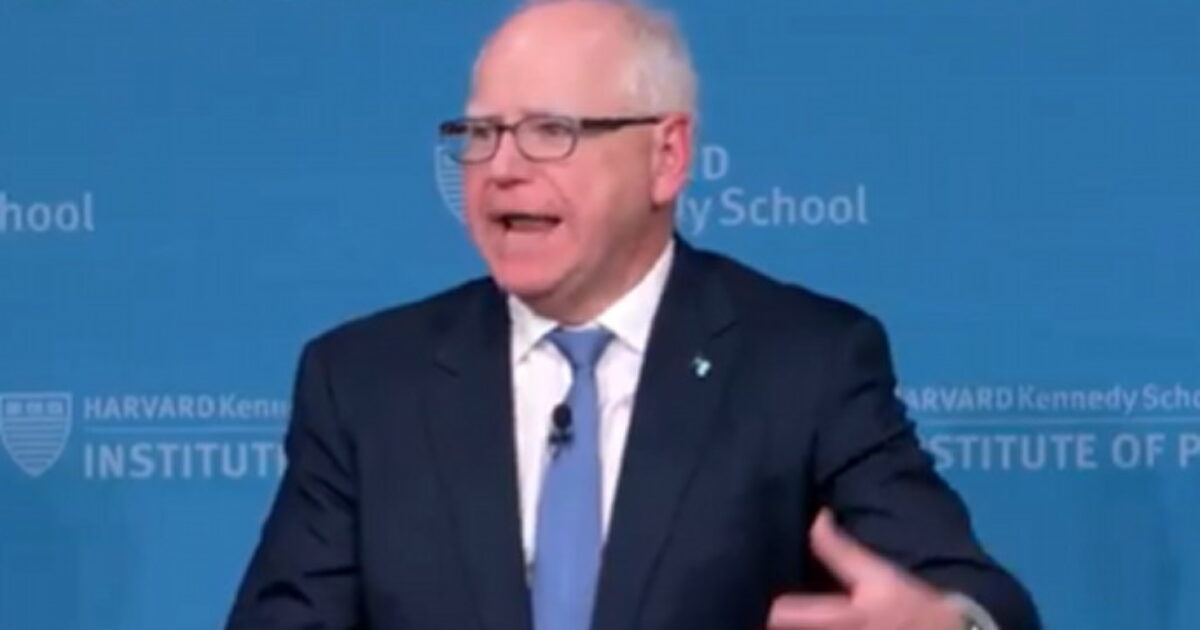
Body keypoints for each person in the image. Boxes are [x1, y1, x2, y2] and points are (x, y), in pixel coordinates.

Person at [226, 1, 1041, 629]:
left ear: (667, 156)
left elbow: (971, 595)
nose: (500, 168)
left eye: (550, 131)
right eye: (480, 133)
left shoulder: (805, 364)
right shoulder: (364, 382)